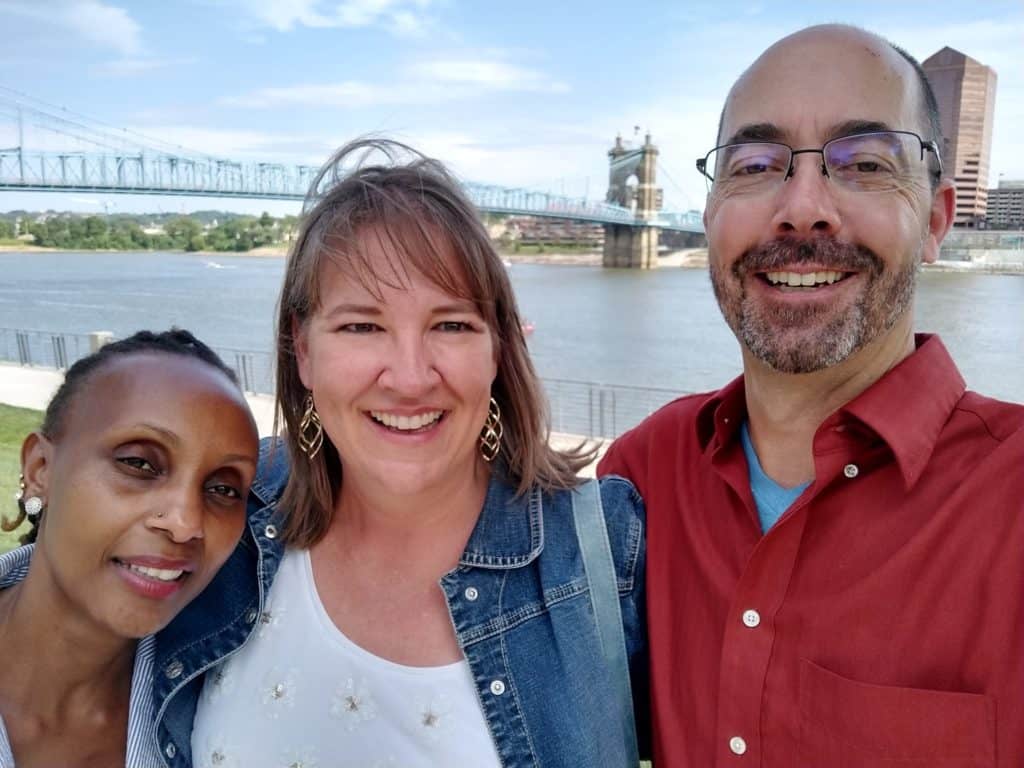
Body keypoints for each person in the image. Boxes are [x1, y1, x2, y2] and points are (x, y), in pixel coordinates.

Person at [599, 23, 1024, 767]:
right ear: (709, 217)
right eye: (755, 165)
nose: (802, 208)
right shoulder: (642, 476)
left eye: (863, 163)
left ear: (935, 219)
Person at [153, 139, 648, 768]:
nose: (411, 378)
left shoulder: (608, 553)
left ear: (499, 350)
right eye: (361, 326)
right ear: (302, 351)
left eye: (451, 325)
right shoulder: (228, 519)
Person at [0, 329, 259, 768]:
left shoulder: (218, 720)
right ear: (41, 468)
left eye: (223, 489)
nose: (185, 523)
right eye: (139, 463)